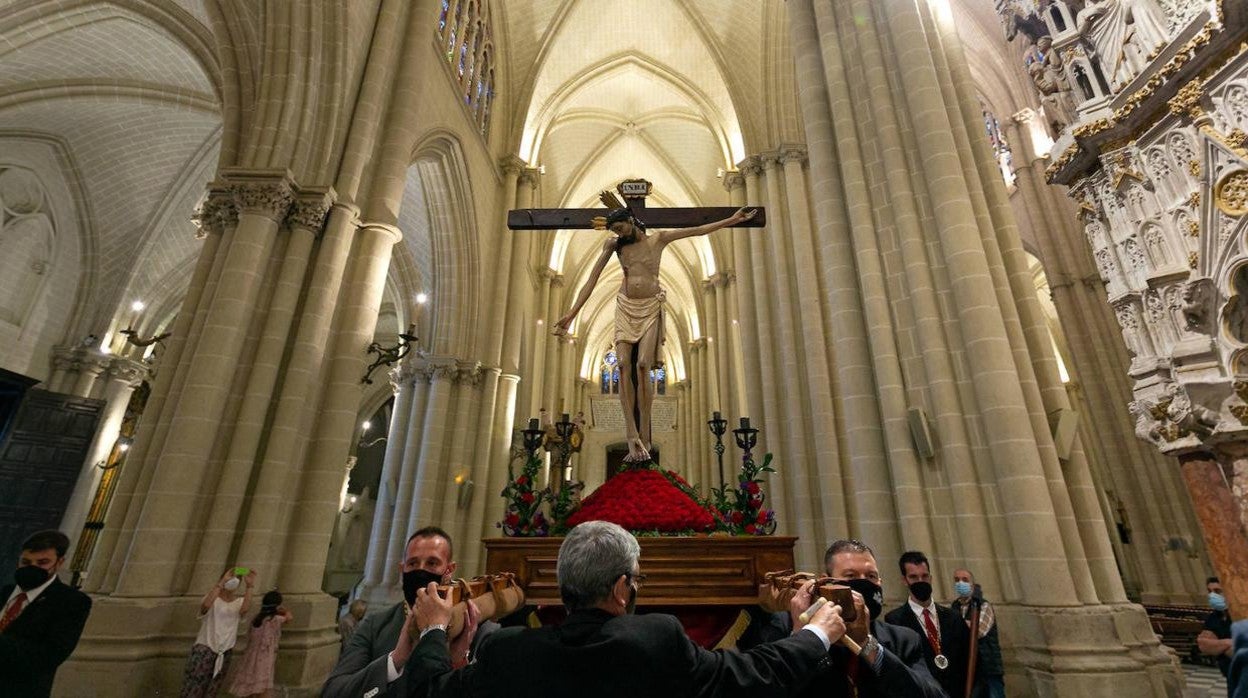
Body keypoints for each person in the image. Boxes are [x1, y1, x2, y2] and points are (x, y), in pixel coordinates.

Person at [403, 520, 848, 698]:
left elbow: (428, 691)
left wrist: (434, 632)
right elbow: (753, 674)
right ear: (621, 588)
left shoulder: (506, 650)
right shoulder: (656, 638)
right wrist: (815, 632)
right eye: (636, 580)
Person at [554, 206, 756, 462]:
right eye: (614, 230)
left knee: (642, 366)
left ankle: (646, 435)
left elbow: (698, 230)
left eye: (620, 228)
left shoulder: (659, 239)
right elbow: (591, 280)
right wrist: (571, 314)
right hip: (625, 307)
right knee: (623, 366)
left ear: (630, 220)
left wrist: (732, 220)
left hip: (650, 307)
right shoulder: (614, 246)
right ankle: (631, 434)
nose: (618, 233)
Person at [323, 526, 485, 698]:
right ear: (402, 568)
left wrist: (458, 661)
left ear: (449, 570)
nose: (420, 570)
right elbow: (333, 691)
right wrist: (395, 661)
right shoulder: (375, 625)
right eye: (413, 563)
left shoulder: (473, 626)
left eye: (432, 563)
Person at [774, 539, 946, 698]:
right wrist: (803, 639)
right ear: (825, 581)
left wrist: (868, 645)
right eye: (851, 576)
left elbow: (933, 694)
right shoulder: (788, 628)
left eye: (871, 576)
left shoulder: (904, 640)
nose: (863, 583)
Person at [0, 529, 92, 698]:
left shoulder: (71, 602)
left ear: (59, 562)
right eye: (26, 562)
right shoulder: (5, 592)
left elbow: (49, 656)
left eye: (42, 563)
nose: (32, 568)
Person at [884, 550, 971, 698]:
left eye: (924, 576)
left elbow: (972, 663)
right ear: (904, 580)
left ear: (930, 578)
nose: (920, 581)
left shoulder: (953, 618)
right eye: (913, 577)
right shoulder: (895, 621)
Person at [181, 566, 256, 697]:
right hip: (205, 648)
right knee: (194, 687)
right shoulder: (213, 598)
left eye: (236, 578)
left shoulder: (238, 602)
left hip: (224, 651)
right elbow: (205, 607)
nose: (233, 580)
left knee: (212, 689)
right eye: (231, 578)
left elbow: (244, 609)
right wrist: (221, 583)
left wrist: (249, 586)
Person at [951, 567, 1005, 698]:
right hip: (967, 666)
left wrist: (961, 624)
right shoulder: (955, 606)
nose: (960, 583)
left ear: (972, 584)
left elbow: (978, 631)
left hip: (987, 666)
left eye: (964, 580)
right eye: (957, 580)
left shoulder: (982, 605)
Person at [227, 589, 292, 697]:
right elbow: (289, 617)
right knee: (263, 685)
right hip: (265, 655)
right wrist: (283, 610)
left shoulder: (256, 618)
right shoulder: (275, 619)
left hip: (251, 654)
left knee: (250, 684)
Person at [1198, 576, 1233, 678]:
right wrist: (1229, 642)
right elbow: (1203, 645)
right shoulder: (1213, 617)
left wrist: (1218, 645)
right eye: (1210, 591)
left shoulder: (1242, 613)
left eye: (1217, 591)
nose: (1212, 595)